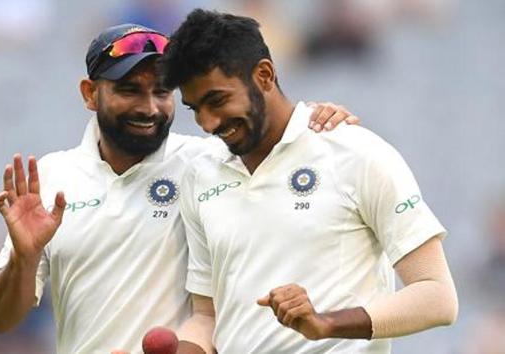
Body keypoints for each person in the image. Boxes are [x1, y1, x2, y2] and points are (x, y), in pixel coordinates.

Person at [0, 23, 358, 354]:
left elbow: (286, 143)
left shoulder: (211, 162)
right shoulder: (51, 176)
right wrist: (24, 257)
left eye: (161, 92)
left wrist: (320, 119)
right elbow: (1, 319)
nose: (149, 108)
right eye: (130, 90)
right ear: (89, 93)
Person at [160, 9, 458, 353]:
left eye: (218, 100)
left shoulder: (355, 152)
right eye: (195, 108)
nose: (208, 122)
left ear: (265, 75)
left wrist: (327, 323)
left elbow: (437, 296)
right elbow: (208, 318)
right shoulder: (201, 175)